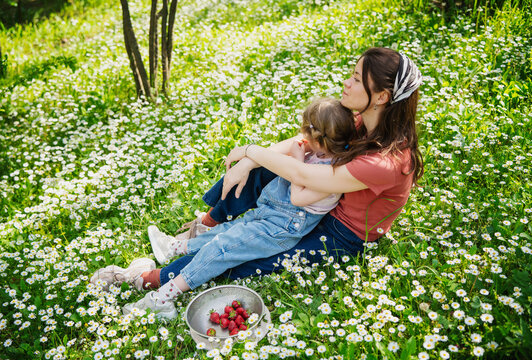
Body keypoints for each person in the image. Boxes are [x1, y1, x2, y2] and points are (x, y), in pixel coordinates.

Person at [93, 47, 423, 320]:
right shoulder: (358, 120)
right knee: (262, 171)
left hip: (338, 234)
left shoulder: (387, 161)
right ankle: (202, 227)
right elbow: (304, 141)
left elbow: (304, 177)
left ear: (381, 96)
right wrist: (248, 163)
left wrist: (252, 151)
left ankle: (150, 280)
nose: (346, 83)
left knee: (238, 257)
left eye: (355, 78)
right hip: (315, 204)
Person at [92, 98, 358, 319]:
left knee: (223, 249)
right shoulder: (319, 150)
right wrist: (258, 158)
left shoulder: (333, 173)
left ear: (319, 140)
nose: (302, 140)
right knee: (227, 231)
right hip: (270, 213)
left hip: (281, 228)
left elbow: (299, 197)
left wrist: (298, 161)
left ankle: (165, 297)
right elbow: (291, 144)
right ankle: (173, 248)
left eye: (307, 135)